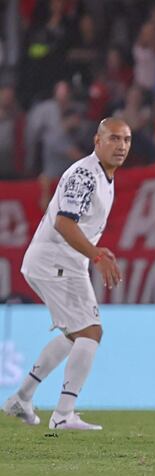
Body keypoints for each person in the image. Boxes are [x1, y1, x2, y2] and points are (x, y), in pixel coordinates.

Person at [3, 118, 130, 430]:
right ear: (97, 141)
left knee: (76, 334)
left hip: (62, 261)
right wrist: (96, 255)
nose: (121, 146)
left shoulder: (103, 176)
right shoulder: (85, 173)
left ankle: (22, 397)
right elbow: (64, 222)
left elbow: (78, 224)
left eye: (126, 140)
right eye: (114, 139)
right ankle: (63, 414)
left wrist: (96, 250)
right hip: (55, 261)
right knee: (90, 332)